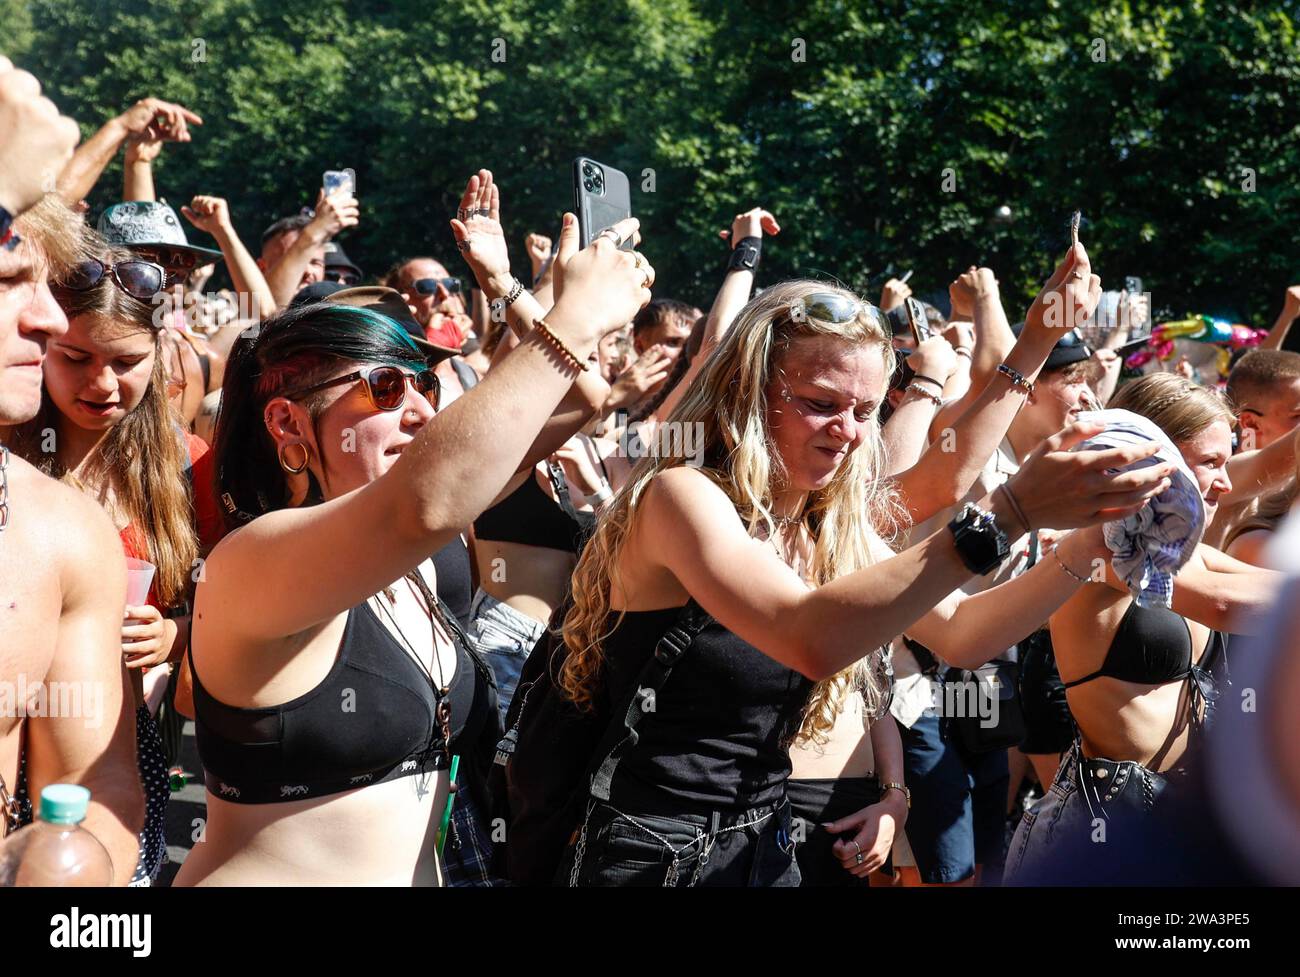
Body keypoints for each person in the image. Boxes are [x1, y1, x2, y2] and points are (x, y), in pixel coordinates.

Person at [552, 261, 1171, 887]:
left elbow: (964, 632)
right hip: (651, 851)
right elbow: (809, 637)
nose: (848, 433)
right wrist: (1011, 513)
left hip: (763, 843)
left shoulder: (827, 526)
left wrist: (1096, 537)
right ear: (748, 391)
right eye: (822, 404)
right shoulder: (679, 498)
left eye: (865, 411)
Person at [174, 205, 652, 885]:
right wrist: (570, 318)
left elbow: (578, 400)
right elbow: (429, 498)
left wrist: (514, 288)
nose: (424, 411)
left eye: (426, 386)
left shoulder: (420, 552)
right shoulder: (254, 557)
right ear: (287, 420)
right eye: (386, 387)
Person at [1005, 372, 1284, 882]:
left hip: (1176, 825)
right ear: (1155, 461)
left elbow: (1272, 586)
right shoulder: (1105, 545)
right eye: (1211, 464)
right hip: (1106, 829)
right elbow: (1223, 605)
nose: (1225, 482)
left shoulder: (1191, 553)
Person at [7, 236, 217, 883]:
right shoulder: (17, 473)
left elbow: (229, 605)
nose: (101, 383)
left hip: (122, 750)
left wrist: (177, 633)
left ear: (160, 355)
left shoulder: (187, 464)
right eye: (76, 358)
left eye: (126, 361)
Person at [0, 181, 143, 881]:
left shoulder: (63, 530)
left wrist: (69, 874)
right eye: (6, 279)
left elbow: (99, 792)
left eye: (47, 285)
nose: (53, 320)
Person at [258, 188, 359, 308]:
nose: (308, 271)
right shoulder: (244, 309)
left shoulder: (335, 318)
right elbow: (262, 312)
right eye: (294, 258)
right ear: (262, 268)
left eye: (315, 263)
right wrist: (315, 231)